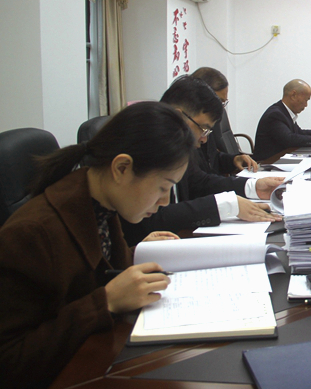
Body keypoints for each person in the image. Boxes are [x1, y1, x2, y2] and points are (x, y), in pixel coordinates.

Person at [0, 102, 194, 387]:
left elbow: (91, 268)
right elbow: (9, 362)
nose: (165, 200)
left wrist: (134, 254)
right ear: (122, 168)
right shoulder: (32, 234)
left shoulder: (100, 204)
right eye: (163, 187)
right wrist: (106, 302)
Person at [121, 77, 283, 246]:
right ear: (178, 117)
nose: (204, 139)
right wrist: (225, 205)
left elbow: (198, 182)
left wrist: (253, 187)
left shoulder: (179, 148)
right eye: (203, 129)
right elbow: (150, 220)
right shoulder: (143, 145)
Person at [253, 79, 311, 162]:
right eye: (306, 100)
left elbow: (299, 133)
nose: (306, 105)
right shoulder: (275, 114)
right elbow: (289, 139)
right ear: (293, 95)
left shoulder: (284, 112)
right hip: (268, 164)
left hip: (280, 160)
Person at [192, 67, 258, 175]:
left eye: (223, 103)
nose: (221, 109)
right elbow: (199, 180)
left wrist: (234, 160)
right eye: (218, 101)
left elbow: (213, 159)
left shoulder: (209, 125)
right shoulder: (185, 134)